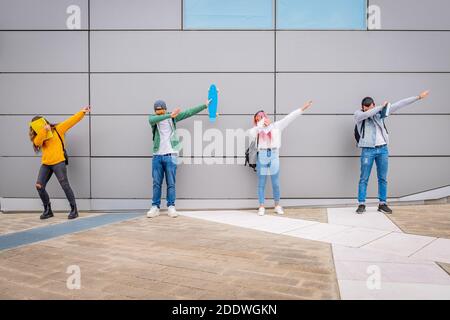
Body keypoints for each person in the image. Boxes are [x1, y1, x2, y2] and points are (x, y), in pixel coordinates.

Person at [354, 90, 430, 214]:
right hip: (368, 150)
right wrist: (380, 107)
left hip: (383, 149)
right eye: (366, 107)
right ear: (362, 107)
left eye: (370, 106)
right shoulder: (358, 115)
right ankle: (361, 204)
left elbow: (399, 105)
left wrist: (418, 97)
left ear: (373, 104)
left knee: (382, 178)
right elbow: (367, 114)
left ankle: (382, 203)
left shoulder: (380, 114)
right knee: (364, 178)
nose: (368, 108)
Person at [147, 99, 211, 218]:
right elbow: (151, 119)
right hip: (157, 156)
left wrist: (204, 105)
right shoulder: (154, 119)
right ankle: (155, 207)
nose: (159, 113)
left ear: (165, 109)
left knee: (171, 183)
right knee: (156, 183)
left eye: (161, 110)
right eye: (157, 111)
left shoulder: (173, 118)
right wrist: (168, 115)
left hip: (171, 155)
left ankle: (171, 206)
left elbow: (189, 112)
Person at [247, 101, 313, 216]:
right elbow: (250, 134)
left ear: (266, 117)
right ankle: (261, 206)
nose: (261, 119)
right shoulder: (257, 130)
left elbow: (290, 117)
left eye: (262, 117)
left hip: (273, 155)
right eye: (258, 119)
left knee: (275, 183)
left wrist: (302, 109)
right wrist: (259, 126)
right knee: (261, 183)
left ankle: (277, 205)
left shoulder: (276, 126)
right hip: (262, 156)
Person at [29, 106, 91, 220]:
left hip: (58, 162)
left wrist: (82, 112)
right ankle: (48, 210)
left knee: (65, 185)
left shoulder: (58, 129)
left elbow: (71, 121)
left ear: (44, 122)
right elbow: (37, 143)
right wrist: (44, 130)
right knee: (39, 186)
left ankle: (74, 209)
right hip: (46, 164)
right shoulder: (40, 136)